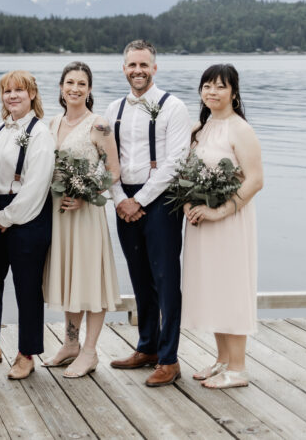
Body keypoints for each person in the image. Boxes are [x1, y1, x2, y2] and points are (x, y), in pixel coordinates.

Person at [104, 39, 190, 387]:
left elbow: (176, 161)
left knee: (166, 281)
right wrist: (119, 198)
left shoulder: (174, 107)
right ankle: (148, 347)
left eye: (144, 65)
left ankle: (169, 358)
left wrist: (140, 199)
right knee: (139, 277)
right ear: (123, 68)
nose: (137, 70)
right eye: (131, 65)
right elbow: (107, 160)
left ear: (155, 68)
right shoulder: (113, 110)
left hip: (161, 203)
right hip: (124, 203)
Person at [181, 64, 263, 389]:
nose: (212, 92)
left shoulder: (239, 129)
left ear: (234, 92)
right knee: (213, 288)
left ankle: (239, 368)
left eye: (220, 86)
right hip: (203, 222)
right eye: (207, 86)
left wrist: (221, 211)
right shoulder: (199, 129)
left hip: (230, 223)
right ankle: (222, 359)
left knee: (230, 288)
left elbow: (256, 180)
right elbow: (186, 173)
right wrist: (189, 203)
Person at [42, 62, 122, 378]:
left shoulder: (98, 125)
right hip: (59, 214)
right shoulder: (52, 123)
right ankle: (70, 344)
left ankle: (89, 352)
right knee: (71, 277)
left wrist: (88, 194)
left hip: (86, 213)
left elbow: (114, 170)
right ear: (61, 87)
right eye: (70, 82)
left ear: (89, 89)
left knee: (90, 279)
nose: (75, 88)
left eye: (82, 83)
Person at [0, 70, 56, 380]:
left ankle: (27, 354)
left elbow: (36, 186)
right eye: (7, 91)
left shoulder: (41, 133)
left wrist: (5, 217)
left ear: (32, 95)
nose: (12, 96)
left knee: (27, 288)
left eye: (19, 91)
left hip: (27, 216)